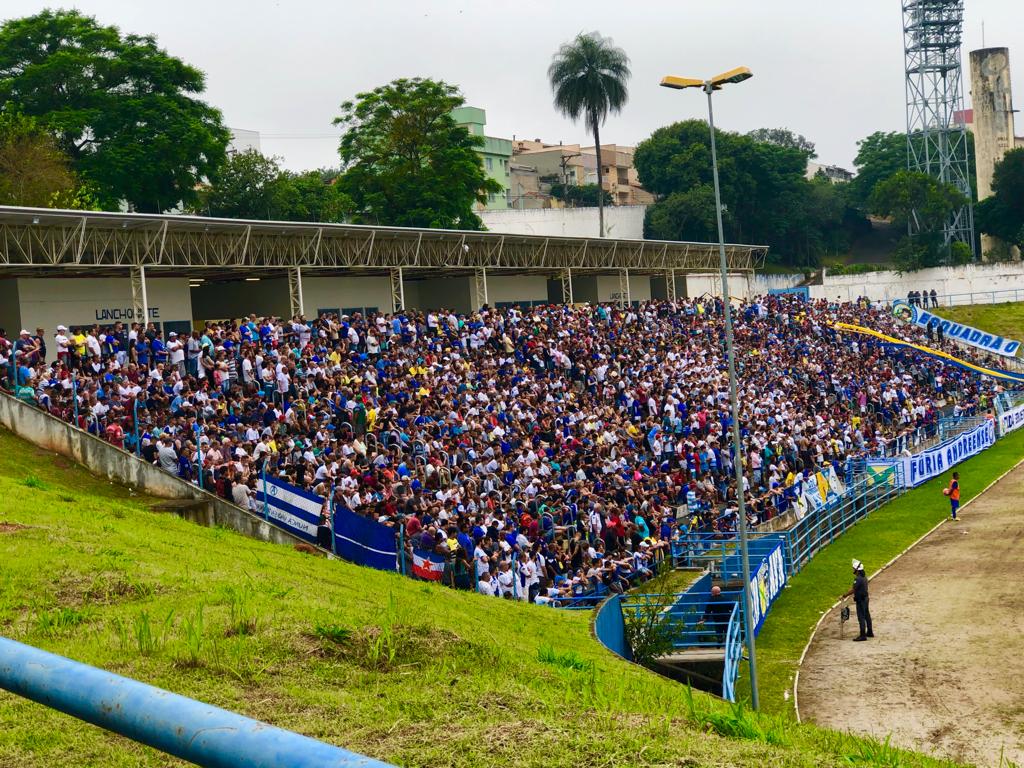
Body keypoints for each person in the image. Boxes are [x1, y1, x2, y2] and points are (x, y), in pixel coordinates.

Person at [843, 558, 873, 641]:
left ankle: (863, 635)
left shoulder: (858, 579)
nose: (853, 569)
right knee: (867, 615)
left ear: (857, 570)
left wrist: (844, 595)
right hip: (866, 599)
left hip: (861, 600)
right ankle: (870, 631)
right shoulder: (864, 577)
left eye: (854, 568)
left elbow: (853, 590)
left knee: (861, 617)